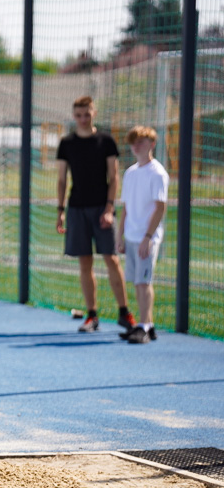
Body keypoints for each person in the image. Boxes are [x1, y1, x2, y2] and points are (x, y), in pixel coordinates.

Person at [56, 95, 135, 333]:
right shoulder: (66, 144)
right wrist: (60, 210)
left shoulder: (106, 141)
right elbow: (61, 179)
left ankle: (124, 312)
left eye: (87, 114)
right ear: (74, 116)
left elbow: (114, 177)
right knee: (84, 262)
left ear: (94, 113)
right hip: (76, 208)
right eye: (78, 115)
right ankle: (92, 315)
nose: (82, 119)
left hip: (102, 208)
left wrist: (110, 208)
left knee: (111, 258)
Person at [117, 126, 168, 344]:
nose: (137, 146)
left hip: (147, 238)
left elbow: (159, 207)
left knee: (144, 282)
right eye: (134, 142)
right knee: (137, 282)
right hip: (131, 236)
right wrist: (120, 235)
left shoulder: (157, 173)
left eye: (142, 142)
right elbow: (126, 208)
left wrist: (148, 236)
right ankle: (146, 324)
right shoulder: (130, 172)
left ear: (152, 144)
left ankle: (144, 326)